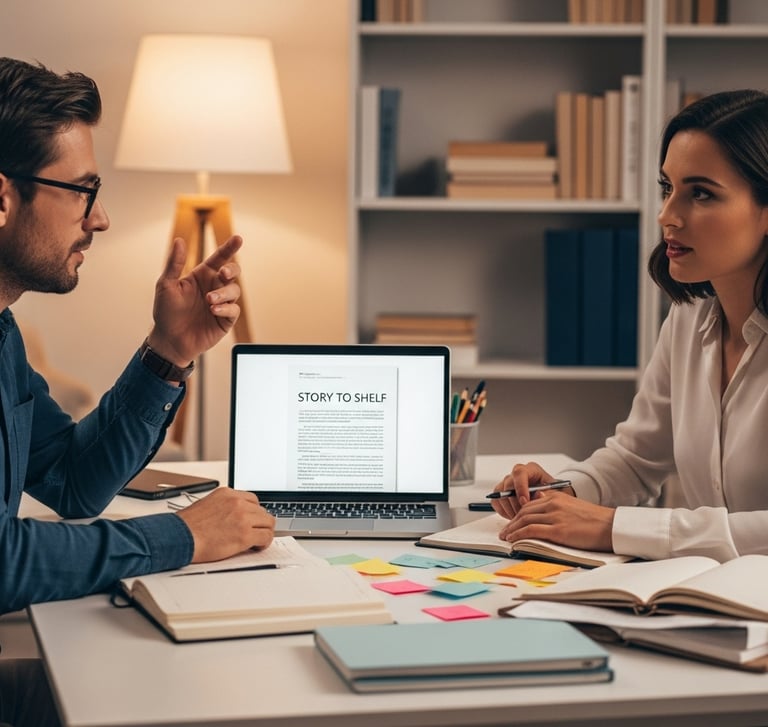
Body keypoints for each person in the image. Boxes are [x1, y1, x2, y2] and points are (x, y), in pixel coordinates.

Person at [0, 57, 275, 725]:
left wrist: (169, 351)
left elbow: (70, 479)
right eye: (81, 191)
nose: (98, 220)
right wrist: (182, 536)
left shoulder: (2, 336)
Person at [492, 89, 768, 564]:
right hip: (704, 601)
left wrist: (615, 528)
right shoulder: (688, 321)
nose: (667, 215)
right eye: (668, 187)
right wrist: (563, 491)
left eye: (700, 193)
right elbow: (636, 459)